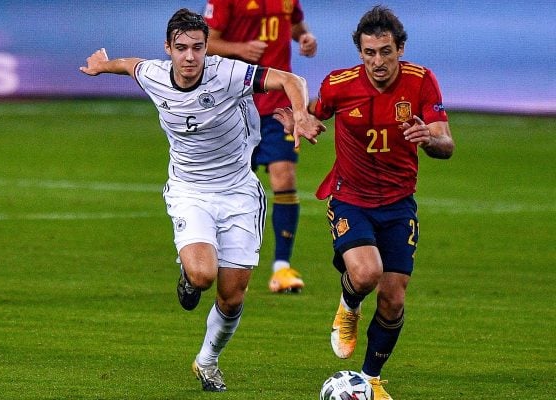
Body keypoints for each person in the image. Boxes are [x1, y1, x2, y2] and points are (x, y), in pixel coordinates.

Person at [80, 8, 322, 392]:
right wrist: (103, 64)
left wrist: (301, 114)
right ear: (168, 49)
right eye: (181, 48)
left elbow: (291, 79)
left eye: (197, 47)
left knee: (232, 295)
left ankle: (207, 360)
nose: (190, 56)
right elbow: (130, 65)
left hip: (239, 192)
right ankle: (190, 279)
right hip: (190, 191)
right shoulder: (155, 75)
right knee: (202, 275)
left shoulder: (227, 73)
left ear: (208, 48)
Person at [274, 6, 454, 399]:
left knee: (393, 297)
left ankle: (370, 379)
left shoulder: (422, 82)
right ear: (360, 52)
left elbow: (446, 143)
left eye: (386, 52)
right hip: (350, 198)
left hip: (399, 204)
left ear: (399, 49)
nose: (378, 62)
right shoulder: (340, 84)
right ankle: (349, 304)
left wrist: (431, 139)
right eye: (370, 53)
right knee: (367, 273)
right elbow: (310, 112)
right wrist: (298, 121)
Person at [203, 0, 318, 293]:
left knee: (284, 175)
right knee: (230, 187)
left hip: (278, 107)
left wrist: (304, 37)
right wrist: (239, 50)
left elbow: (294, 24)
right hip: (237, 107)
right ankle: (212, 257)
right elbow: (206, 44)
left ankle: (282, 268)